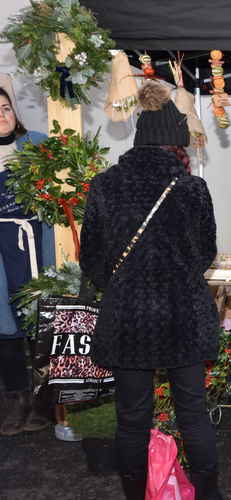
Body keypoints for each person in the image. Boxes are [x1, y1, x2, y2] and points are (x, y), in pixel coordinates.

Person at [80, 82, 222, 500]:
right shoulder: (193, 189)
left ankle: (135, 495)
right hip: (183, 316)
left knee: (132, 420)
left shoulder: (105, 185)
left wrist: (124, 286)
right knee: (193, 413)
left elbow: (91, 257)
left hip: (128, 318)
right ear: (175, 145)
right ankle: (209, 495)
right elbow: (205, 253)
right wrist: (176, 279)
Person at [0, 75, 56, 437]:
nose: (2, 115)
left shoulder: (35, 144)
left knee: (41, 320)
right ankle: (15, 401)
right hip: (0, 250)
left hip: (33, 242)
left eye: (5, 108)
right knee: (5, 328)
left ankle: (45, 401)